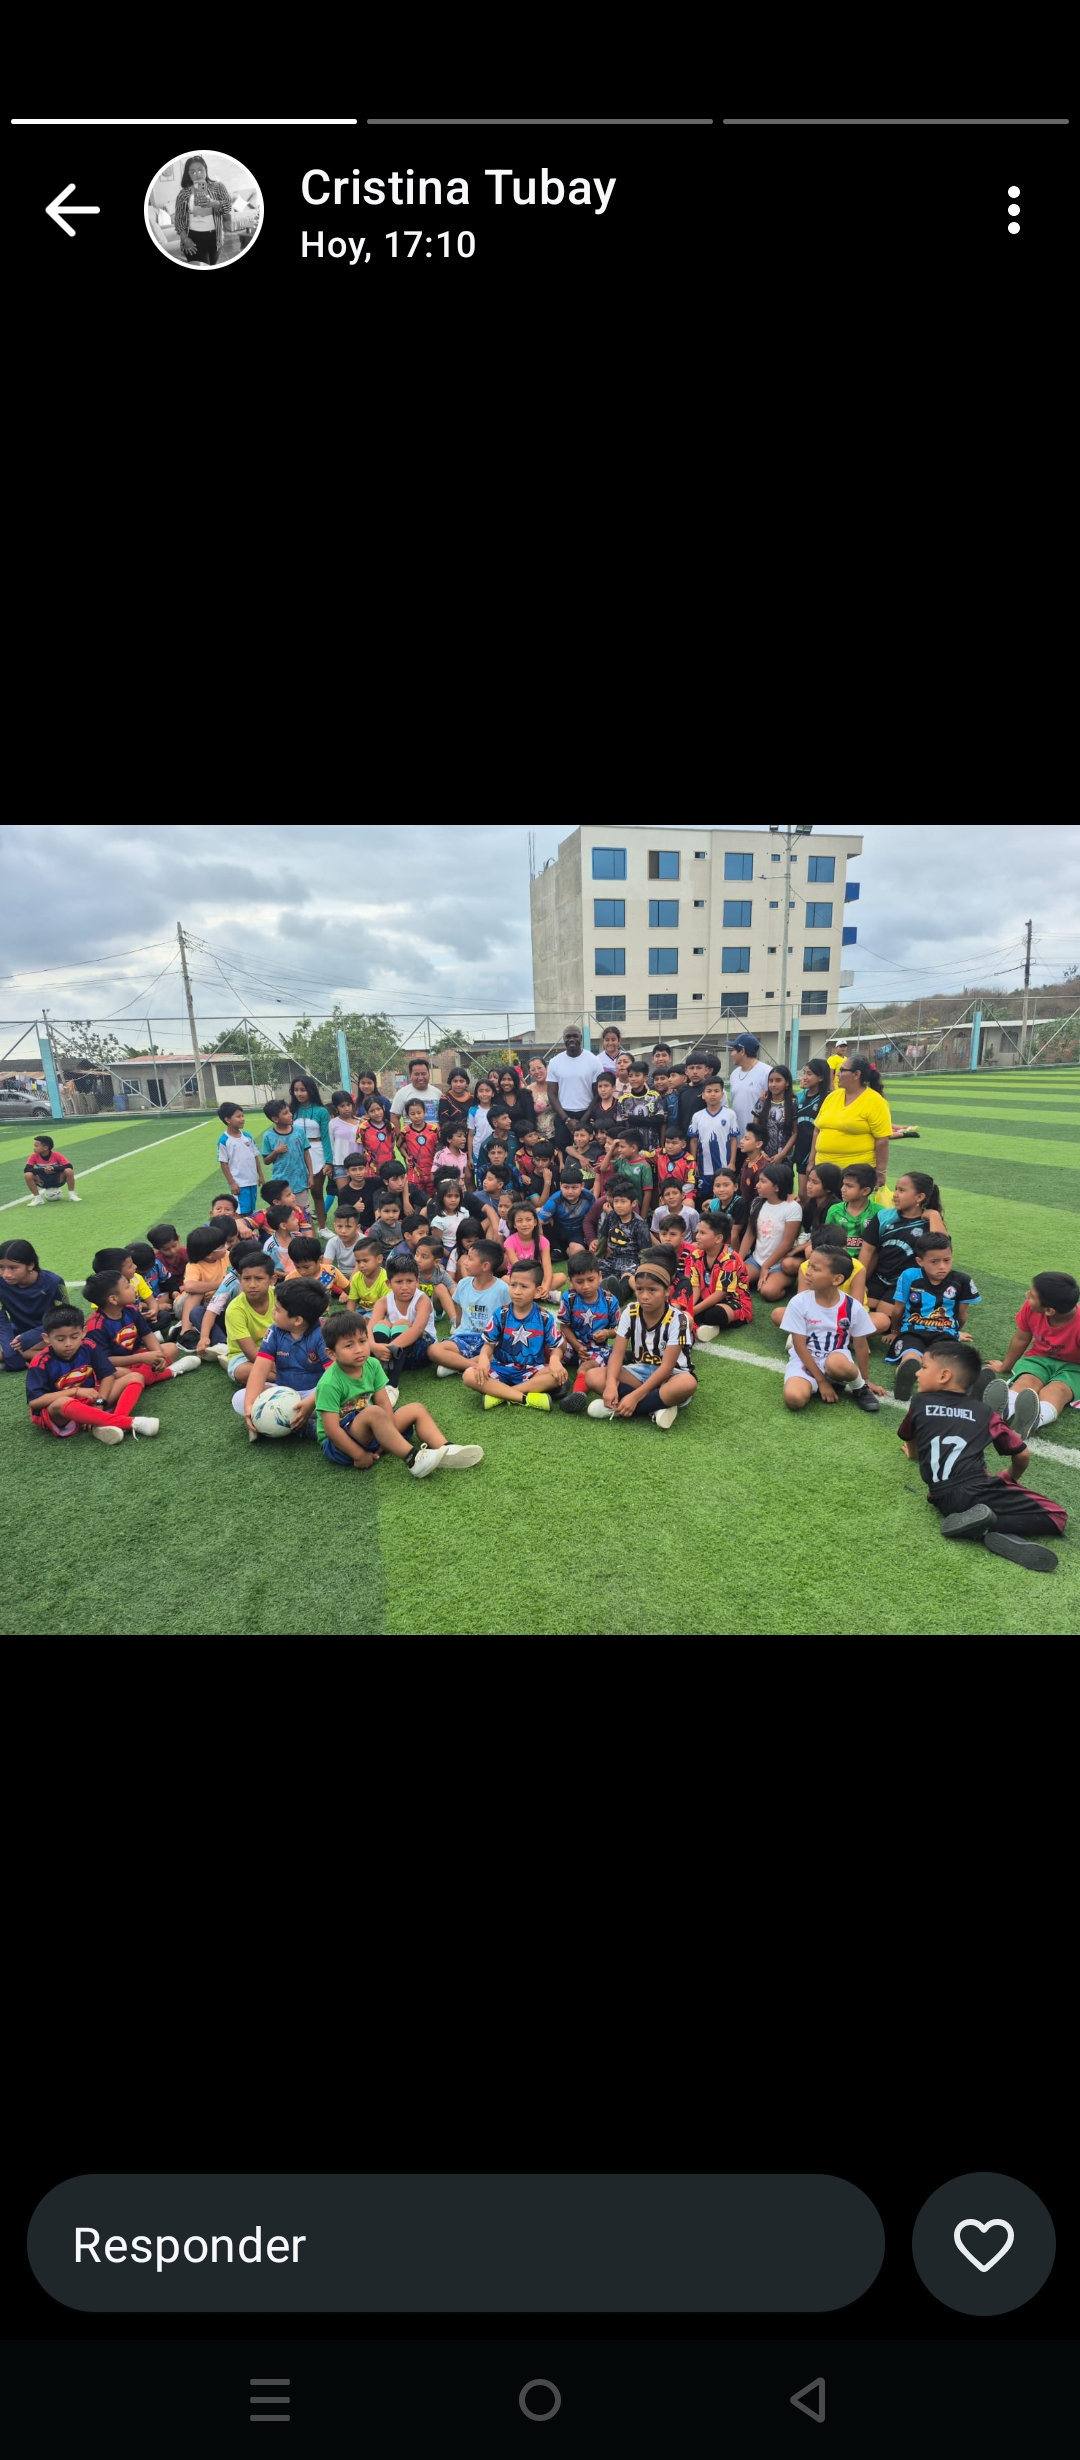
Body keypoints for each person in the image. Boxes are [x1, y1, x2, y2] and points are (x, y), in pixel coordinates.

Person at [896, 1340, 1066, 1570]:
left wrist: (913, 1455)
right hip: (976, 1490)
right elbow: (1022, 1455)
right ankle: (990, 1524)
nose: (917, 1372)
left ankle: (981, 1526)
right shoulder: (985, 1413)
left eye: (924, 1367)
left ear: (944, 1376)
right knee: (1057, 1516)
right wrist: (1009, 1477)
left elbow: (910, 1438)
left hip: (940, 1496)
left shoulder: (918, 1403)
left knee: (973, 1489)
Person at [315, 1311, 483, 1474]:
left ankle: (446, 1449)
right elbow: (332, 1431)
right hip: (341, 1444)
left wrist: (387, 1437)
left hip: (372, 1427)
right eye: (349, 1345)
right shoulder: (329, 1383)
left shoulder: (372, 1364)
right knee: (373, 1412)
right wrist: (359, 1455)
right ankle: (414, 1460)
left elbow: (383, 1402)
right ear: (332, 1354)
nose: (359, 1349)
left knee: (416, 1409)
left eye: (362, 1341)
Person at [583, 1248, 698, 1428]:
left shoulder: (679, 1319)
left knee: (687, 1383)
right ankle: (657, 1405)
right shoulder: (630, 1311)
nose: (644, 1296)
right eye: (639, 1289)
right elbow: (617, 1354)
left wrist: (635, 1397)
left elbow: (667, 1368)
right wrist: (611, 1384)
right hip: (641, 1371)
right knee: (593, 1376)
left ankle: (620, 1408)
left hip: (672, 1375)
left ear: (667, 1291)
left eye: (652, 1290)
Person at [25, 1302, 159, 1444]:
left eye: (74, 1337)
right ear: (46, 1338)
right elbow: (35, 1402)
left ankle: (112, 1423)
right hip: (61, 1413)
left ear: (83, 1331)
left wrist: (100, 1403)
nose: (68, 1343)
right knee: (61, 1401)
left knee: (135, 1376)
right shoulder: (41, 1361)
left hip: (91, 1400)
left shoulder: (88, 1345)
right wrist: (75, 1391)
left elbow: (107, 1375)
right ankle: (128, 1423)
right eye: (60, 1339)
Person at [780, 1243, 884, 1412]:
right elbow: (799, 1346)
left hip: (836, 1359)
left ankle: (858, 1388)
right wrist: (821, 1381)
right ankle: (827, 1382)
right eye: (809, 1265)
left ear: (837, 1279)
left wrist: (864, 1380)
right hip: (805, 1359)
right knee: (794, 1399)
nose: (808, 1272)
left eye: (815, 1269)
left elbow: (860, 1345)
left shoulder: (852, 1307)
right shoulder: (798, 1302)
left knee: (836, 1363)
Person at [980, 1271, 1080, 1440]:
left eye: (1032, 1296)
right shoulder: (1030, 1308)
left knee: (1057, 1390)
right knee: (1027, 1381)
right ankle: (1003, 1410)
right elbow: (1021, 1338)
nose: (1027, 1295)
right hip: (1040, 1359)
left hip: (1074, 1368)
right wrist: (1005, 1366)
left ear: (1049, 1311)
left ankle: (1036, 1419)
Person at [461, 1257, 567, 1408]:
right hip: (500, 1369)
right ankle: (524, 1398)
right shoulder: (500, 1314)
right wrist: (484, 1357)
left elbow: (556, 1347)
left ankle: (500, 1394)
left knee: (558, 1376)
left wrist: (555, 1359)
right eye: (513, 1285)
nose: (517, 1291)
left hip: (531, 1371)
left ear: (537, 1291)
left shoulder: (544, 1317)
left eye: (524, 1286)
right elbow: (488, 1345)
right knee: (469, 1375)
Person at [883, 1235, 981, 1396]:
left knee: (924, 1357)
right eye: (934, 1262)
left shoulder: (962, 1280)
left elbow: (962, 1314)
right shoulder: (910, 1276)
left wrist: (956, 1334)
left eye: (947, 1260)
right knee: (914, 1357)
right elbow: (898, 1308)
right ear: (920, 1261)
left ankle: (968, 1387)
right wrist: (895, 1331)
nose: (942, 1266)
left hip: (941, 1333)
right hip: (914, 1331)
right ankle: (905, 1379)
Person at [236, 1276, 332, 1439]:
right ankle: (301, 1425)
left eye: (278, 1309)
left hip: (315, 1394)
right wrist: (249, 1406)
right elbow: (259, 1370)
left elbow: (334, 1376)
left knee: (339, 1396)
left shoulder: (323, 1334)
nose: (273, 1311)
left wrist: (310, 1402)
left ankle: (292, 1424)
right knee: (239, 1399)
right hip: (282, 1393)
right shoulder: (274, 1331)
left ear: (297, 1320)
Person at [858, 1172, 948, 1336]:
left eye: (902, 1190)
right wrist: (860, 1280)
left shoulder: (929, 1223)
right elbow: (868, 1250)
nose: (895, 1195)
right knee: (863, 1307)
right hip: (879, 1277)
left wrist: (934, 1215)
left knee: (884, 1318)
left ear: (919, 1197)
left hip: (905, 1284)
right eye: (896, 1189)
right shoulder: (884, 1216)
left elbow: (941, 1248)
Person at [82, 1268, 198, 1380]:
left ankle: (143, 1376)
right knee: (117, 1373)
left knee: (171, 1348)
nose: (133, 1287)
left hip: (134, 1357)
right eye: (127, 1286)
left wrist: (158, 1355)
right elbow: (105, 1360)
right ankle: (169, 1372)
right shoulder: (95, 1327)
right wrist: (140, 1358)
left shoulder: (131, 1309)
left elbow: (147, 1335)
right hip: (116, 1365)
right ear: (113, 1299)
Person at [806, 1053, 893, 1195]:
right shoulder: (832, 1097)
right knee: (824, 1207)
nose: (837, 1074)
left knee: (849, 1207)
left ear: (856, 1074)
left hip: (855, 1174)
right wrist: (811, 1162)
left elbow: (882, 1139)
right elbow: (818, 1129)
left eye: (842, 1070)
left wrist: (881, 1172)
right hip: (824, 1172)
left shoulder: (875, 1101)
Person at [429, 1237, 511, 1377]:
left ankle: (456, 1364)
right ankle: (472, 1365)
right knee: (433, 1350)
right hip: (463, 1337)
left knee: (504, 1354)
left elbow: (508, 1318)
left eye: (470, 1259)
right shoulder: (463, 1284)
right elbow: (460, 1313)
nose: (465, 1262)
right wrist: (457, 1332)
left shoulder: (502, 1288)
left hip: (489, 1341)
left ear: (485, 1266)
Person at [552, 1251, 621, 1410]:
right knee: (550, 1348)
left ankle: (576, 1395)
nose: (586, 1286)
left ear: (600, 1276)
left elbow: (618, 1329)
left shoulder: (610, 1300)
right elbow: (564, 1326)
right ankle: (553, 1383)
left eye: (591, 1280)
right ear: (571, 1281)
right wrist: (577, 1346)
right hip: (573, 1344)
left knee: (585, 1368)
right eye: (579, 1281)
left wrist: (607, 1333)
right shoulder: (569, 1298)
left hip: (596, 1349)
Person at [0, 1239, 70, 1370]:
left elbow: (65, 1315)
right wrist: (10, 1352)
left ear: (30, 1265)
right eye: (1, 1267)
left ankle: (9, 1355)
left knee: (67, 1342)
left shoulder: (55, 1282)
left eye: (13, 1268)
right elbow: (1, 1321)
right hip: (18, 1335)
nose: (6, 1274)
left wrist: (32, 1335)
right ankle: (15, 1354)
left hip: (49, 1331)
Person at [685, 1211, 753, 1338]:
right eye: (698, 1232)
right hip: (707, 1297)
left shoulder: (730, 1259)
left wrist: (692, 1311)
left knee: (714, 1314)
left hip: (733, 1302)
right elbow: (695, 1287)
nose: (697, 1236)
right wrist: (689, 1308)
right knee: (682, 1300)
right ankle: (705, 1325)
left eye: (703, 1233)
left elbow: (720, 1294)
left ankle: (702, 1322)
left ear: (718, 1238)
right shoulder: (696, 1255)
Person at [740, 1161, 802, 1293]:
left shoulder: (792, 1207)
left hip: (779, 1263)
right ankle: (758, 1277)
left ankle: (784, 1280)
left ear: (777, 1187)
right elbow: (750, 1234)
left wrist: (766, 1266)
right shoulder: (757, 1203)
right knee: (733, 1281)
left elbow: (787, 1243)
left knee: (768, 1292)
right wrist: (738, 1262)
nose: (757, 1185)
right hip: (756, 1260)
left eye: (763, 1181)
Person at [220, 1247, 276, 1388]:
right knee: (243, 1372)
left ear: (272, 1280)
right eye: (246, 1279)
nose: (252, 1285)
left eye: (259, 1278)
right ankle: (283, 1380)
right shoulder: (235, 1309)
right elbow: (251, 1353)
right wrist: (283, 1370)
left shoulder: (280, 1297)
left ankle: (267, 1384)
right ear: (240, 1279)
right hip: (245, 1357)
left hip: (277, 1351)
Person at [545, 1025, 605, 1154]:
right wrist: (566, 1119)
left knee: (589, 1152)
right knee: (562, 1151)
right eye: (568, 1036)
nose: (571, 1039)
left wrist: (584, 1119)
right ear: (563, 1039)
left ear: (581, 1038)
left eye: (575, 1036)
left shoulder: (594, 1060)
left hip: (588, 1113)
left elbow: (598, 1093)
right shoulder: (555, 1062)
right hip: (563, 1115)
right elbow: (551, 1093)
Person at [592, 1178, 654, 1303]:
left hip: (631, 1262)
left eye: (623, 1201)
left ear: (633, 1203)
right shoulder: (611, 1217)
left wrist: (643, 1273)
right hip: (612, 1259)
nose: (618, 1205)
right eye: (616, 1201)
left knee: (628, 1277)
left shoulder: (640, 1224)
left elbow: (645, 1252)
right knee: (595, 1269)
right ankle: (602, 1287)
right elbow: (602, 1239)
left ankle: (620, 1293)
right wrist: (596, 1260)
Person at [369, 1258, 435, 1373]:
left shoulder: (422, 1300)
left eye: (409, 1281)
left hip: (420, 1353)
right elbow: (369, 1327)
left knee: (401, 1323)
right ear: (389, 1283)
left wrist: (390, 1348)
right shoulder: (383, 1302)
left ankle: (392, 1381)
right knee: (381, 1324)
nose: (404, 1287)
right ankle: (381, 1368)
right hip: (390, 1353)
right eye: (399, 1282)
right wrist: (373, 1346)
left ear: (417, 1281)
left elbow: (417, 1329)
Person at [285, 1073, 332, 1228]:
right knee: (295, 1193)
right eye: (296, 1090)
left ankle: (322, 1227)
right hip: (296, 1153)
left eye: (303, 1090)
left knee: (317, 1191)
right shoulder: (290, 1110)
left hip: (317, 1151)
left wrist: (329, 1161)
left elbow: (326, 1137)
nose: (299, 1093)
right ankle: (297, 1226)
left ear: (311, 1090)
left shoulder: (321, 1111)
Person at [538, 1165, 595, 1286]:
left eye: (574, 1187)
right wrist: (541, 1241)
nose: (570, 1191)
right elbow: (538, 1221)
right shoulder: (555, 1199)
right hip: (557, 1231)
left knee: (577, 1251)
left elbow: (594, 1219)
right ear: (560, 1186)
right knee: (538, 1212)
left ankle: (564, 1252)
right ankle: (557, 1250)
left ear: (582, 1186)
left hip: (577, 1232)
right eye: (566, 1187)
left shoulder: (589, 1197)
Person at [823, 1165, 884, 1276]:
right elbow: (828, 1240)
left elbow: (878, 1249)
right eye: (843, 1184)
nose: (842, 1189)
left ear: (865, 1191)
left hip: (867, 1263)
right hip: (839, 1260)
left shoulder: (879, 1212)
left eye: (849, 1186)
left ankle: (862, 1280)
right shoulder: (835, 1210)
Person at [172, 155, 232, 265]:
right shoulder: (184, 193)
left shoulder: (218, 187)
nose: (197, 174)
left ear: (206, 169)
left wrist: (214, 203)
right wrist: (184, 239)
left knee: (212, 265)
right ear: (189, 175)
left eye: (200, 170)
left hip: (215, 238)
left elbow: (228, 207)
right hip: (193, 238)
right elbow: (179, 219)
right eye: (193, 172)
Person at [688, 1076, 738, 1197]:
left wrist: (732, 1162)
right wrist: (694, 1163)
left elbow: (733, 1139)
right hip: (704, 1168)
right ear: (703, 1095)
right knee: (704, 1198)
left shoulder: (730, 1114)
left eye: (716, 1091)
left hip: (724, 1166)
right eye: (709, 1091)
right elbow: (694, 1141)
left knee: (723, 1197)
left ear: (722, 1094)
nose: (712, 1094)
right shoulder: (697, 1116)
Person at [215, 1103, 265, 1216]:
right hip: (239, 1183)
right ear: (227, 1119)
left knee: (250, 1210)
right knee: (240, 1212)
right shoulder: (224, 1140)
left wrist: (261, 1176)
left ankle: (248, 1227)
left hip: (252, 1181)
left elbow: (255, 1157)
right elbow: (223, 1164)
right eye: (238, 1116)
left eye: (242, 1116)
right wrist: (232, 1183)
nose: (242, 1119)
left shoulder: (248, 1137)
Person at [792, 1057, 831, 1199]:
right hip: (801, 1148)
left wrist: (812, 1160)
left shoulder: (829, 1098)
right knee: (803, 1193)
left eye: (809, 1074)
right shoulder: (800, 1096)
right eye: (804, 1073)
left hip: (818, 1150)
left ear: (821, 1077)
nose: (805, 1077)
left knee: (818, 1193)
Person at [261, 1101, 314, 1204]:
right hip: (281, 1184)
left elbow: (306, 1154)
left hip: (300, 1182)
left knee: (302, 1210)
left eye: (289, 1111)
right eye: (285, 1113)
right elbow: (266, 1161)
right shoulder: (268, 1136)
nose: (290, 1114)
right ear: (275, 1119)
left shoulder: (299, 1131)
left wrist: (311, 1175)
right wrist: (276, 1152)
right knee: (284, 1211)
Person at [502, 1199, 554, 1300]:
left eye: (528, 1219)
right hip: (517, 1279)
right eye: (519, 1221)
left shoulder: (543, 1241)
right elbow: (518, 1267)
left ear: (535, 1222)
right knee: (504, 1279)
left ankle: (536, 1293)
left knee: (560, 1277)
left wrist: (546, 1286)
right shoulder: (509, 1242)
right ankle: (541, 1295)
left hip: (537, 1277)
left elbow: (547, 1268)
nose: (524, 1224)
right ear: (514, 1224)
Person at [750, 1064, 798, 1163]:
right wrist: (761, 1152)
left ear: (787, 1083)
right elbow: (754, 1129)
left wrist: (782, 1154)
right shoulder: (763, 1101)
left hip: (784, 1158)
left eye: (778, 1080)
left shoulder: (793, 1102)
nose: (773, 1084)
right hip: (763, 1156)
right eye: (770, 1081)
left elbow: (795, 1132)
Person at [726, 1036, 771, 1137]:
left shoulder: (766, 1072)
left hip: (757, 1137)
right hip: (737, 1136)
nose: (731, 1054)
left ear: (742, 1051)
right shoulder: (734, 1074)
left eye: (734, 1050)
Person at [286, 1232, 349, 1304]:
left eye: (306, 1267)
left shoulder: (331, 1271)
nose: (302, 1271)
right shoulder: (291, 1279)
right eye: (297, 1267)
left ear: (320, 1259)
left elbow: (349, 1290)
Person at [24, 1134, 81, 1205]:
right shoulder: (34, 1156)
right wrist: (43, 1170)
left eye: (36, 1146)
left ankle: (72, 1195)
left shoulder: (56, 1155)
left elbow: (69, 1166)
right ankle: (38, 1199)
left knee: (69, 1170)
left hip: (57, 1179)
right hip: (43, 1180)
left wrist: (53, 1168)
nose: (34, 1148)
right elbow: (27, 1169)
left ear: (45, 1148)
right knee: (28, 1175)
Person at [400, 1099, 441, 1199]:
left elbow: (442, 1146)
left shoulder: (434, 1129)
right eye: (412, 1114)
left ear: (425, 1112)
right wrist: (406, 1156)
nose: (416, 1116)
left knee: (433, 1197)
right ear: (407, 1115)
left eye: (419, 1112)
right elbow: (399, 1145)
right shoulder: (404, 1131)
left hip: (432, 1169)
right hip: (415, 1170)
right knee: (415, 1196)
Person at [389, 1055, 440, 1133]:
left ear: (429, 1075)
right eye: (416, 1074)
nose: (420, 1077)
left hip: (434, 1138)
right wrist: (399, 1137)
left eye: (423, 1074)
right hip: (411, 1139)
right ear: (410, 1076)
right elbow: (394, 1117)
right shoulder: (402, 1093)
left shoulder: (437, 1093)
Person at [617, 1059, 665, 1139]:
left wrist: (632, 1119)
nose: (633, 1079)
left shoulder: (654, 1096)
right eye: (630, 1076)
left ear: (645, 1078)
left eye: (637, 1075)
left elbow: (660, 1120)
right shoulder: (623, 1099)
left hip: (652, 1144)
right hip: (630, 1144)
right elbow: (620, 1125)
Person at [347, 1237, 391, 1322]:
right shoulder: (356, 1277)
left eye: (365, 1261)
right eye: (358, 1261)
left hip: (381, 1311)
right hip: (362, 1310)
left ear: (379, 1259)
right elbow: (352, 1302)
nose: (361, 1265)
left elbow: (385, 1307)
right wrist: (349, 1318)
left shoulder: (386, 1279)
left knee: (364, 1321)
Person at [428, 1176, 470, 1259]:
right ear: (441, 1198)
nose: (453, 1200)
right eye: (449, 1196)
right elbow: (438, 1244)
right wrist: (452, 1257)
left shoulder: (464, 1213)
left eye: (456, 1196)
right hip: (446, 1252)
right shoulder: (438, 1221)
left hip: (463, 1248)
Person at [327, 1091, 362, 1188]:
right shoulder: (333, 1123)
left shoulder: (361, 1122)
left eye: (348, 1105)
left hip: (359, 1164)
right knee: (344, 1194)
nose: (346, 1108)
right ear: (336, 1108)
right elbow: (331, 1145)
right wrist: (330, 1164)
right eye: (342, 1106)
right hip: (340, 1164)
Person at [322, 1198, 364, 1278]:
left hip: (361, 1273)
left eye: (348, 1226)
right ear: (334, 1226)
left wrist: (349, 1284)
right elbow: (326, 1267)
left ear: (357, 1227)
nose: (343, 1231)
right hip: (341, 1273)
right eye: (340, 1226)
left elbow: (359, 1267)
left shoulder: (364, 1242)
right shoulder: (333, 1242)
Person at [467, 1079, 496, 1178]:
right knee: (481, 1178)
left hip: (495, 1150)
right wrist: (470, 1157)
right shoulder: (473, 1111)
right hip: (477, 1151)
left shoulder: (497, 1109)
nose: (484, 1094)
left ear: (493, 1093)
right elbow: (470, 1135)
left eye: (487, 1091)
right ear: (476, 1094)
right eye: (481, 1091)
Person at [496, 1065, 536, 1135]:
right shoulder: (496, 1098)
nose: (506, 1083)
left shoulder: (525, 1095)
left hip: (525, 1136)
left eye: (509, 1079)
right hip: (504, 1137)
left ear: (515, 1081)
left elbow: (531, 1119)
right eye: (503, 1079)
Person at [527, 1054, 557, 1140]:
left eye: (539, 1068)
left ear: (546, 1068)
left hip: (559, 1133)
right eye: (533, 1070)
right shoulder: (527, 1091)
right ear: (529, 1073)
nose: (537, 1072)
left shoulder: (556, 1086)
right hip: (537, 1136)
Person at [437, 1069, 474, 1138]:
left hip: (472, 1138)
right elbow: (444, 1124)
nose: (458, 1084)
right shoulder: (445, 1099)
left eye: (461, 1081)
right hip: (452, 1139)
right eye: (455, 1081)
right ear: (450, 1083)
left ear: (467, 1083)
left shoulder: (473, 1099)